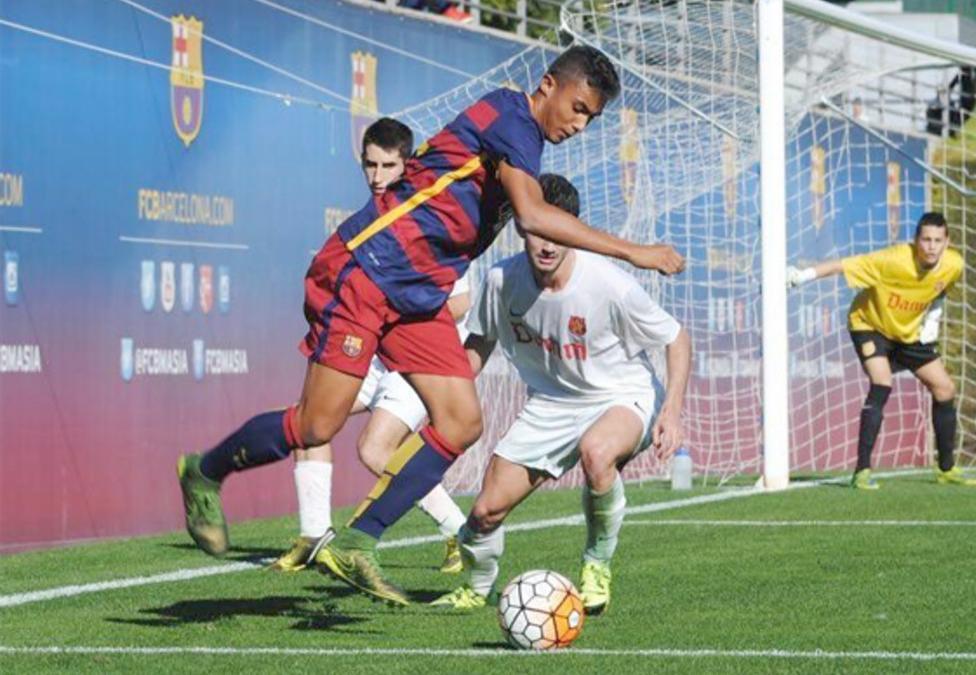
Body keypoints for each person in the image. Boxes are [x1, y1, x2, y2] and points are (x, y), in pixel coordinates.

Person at [176, 45, 686, 606]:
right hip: (366, 270)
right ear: (549, 85)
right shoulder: (512, 118)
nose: (580, 124)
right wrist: (634, 251)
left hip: (418, 295)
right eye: (579, 107)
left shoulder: (526, 142)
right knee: (318, 426)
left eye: (591, 117)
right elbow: (534, 217)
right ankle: (205, 470)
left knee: (461, 421)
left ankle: (360, 541)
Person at [430, 174, 691, 615]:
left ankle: (596, 567)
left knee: (597, 452)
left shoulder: (608, 283)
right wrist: (443, 397)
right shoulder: (500, 281)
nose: (547, 244)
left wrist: (673, 411)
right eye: (538, 231)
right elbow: (478, 345)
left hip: (623, 394)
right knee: (485, 513)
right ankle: (476, 587)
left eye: (559, 231)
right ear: (520, 227)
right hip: (550, 406)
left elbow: (675, 337)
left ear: (574, 230)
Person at [270, 117, 469, 575]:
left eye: (389, 166)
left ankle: (460, 530)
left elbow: (460, 302)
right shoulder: (367, 224)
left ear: (408, 164)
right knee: (309, 424)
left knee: (374, 450)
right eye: (370, 165)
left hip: (413, 364)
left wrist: (384, 317)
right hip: (371, 359)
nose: (378, 176)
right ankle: (316, 536)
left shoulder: (434, 218)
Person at [785, 212, 976, 490]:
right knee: (881, 382)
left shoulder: (954, 264)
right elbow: (841, 266)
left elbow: (940, 290)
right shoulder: (893, 260)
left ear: (947, 242)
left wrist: (933, 318)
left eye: (937, 240)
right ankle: (862, 471)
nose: (931, 246)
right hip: (869, 325)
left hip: (907, 334)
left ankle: (946, 469)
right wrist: (800, 276)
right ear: (915, 241)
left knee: (945, 389)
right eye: (925, 239)